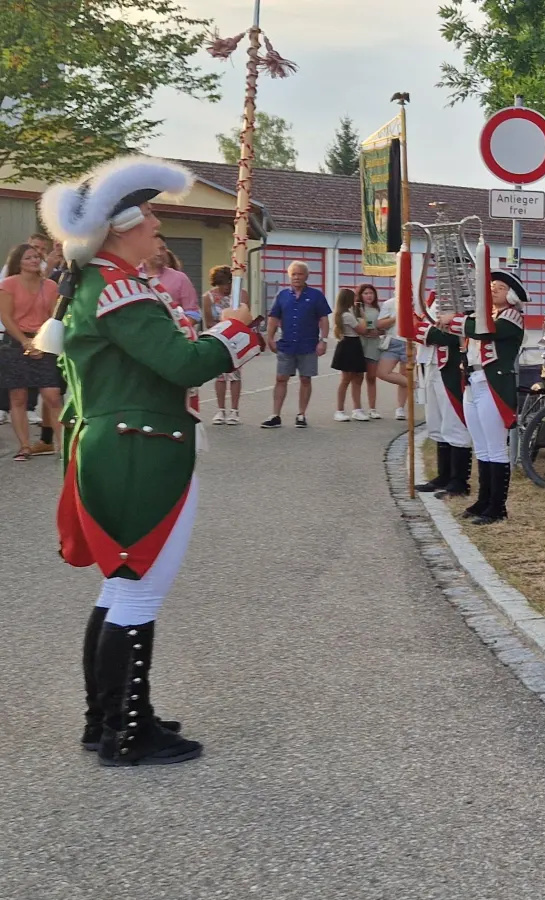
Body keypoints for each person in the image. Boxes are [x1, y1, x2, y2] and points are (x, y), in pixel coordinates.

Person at [39, 155, 263, 765]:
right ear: (122, 226)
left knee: (120, 588)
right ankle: (126, 733)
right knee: (137, 589)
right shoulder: (115, 287)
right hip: (138, 449)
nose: (160, 231)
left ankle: (108, 718)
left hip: (120, 443)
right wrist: (238, 332)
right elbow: (185, 365)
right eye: (153, 223)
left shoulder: (102, 283)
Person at [449, 271, 526, 525]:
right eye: (492, 285)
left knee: (495, 446)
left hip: (493, 383)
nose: (494, 289)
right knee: (481, 446)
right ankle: (484, 499)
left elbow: (485, 332)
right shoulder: (482, 316)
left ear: (512, 295)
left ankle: (497, 506)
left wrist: (455, 321)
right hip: (473, 380)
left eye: (501, 287)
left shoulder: (512, 316)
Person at [0, 242, 64, 459]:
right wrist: (25, 342)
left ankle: (62, 445)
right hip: (15, 342)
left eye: (36, 257)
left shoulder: (50, 286)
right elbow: (6, 317)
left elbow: (53, 316)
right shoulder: (8, 284)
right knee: (18, 396)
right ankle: (25, 446)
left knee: (52, 394)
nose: (34, 260)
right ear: (19, 262)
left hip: (43, 341)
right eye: (28, 257)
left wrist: (41, 342)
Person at [411, 295, 473, 498]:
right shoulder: (431, 297)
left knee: (454, 422)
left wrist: (420, 330)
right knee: (437, 423)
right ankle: (444, 475)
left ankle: (459, 481)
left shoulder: (465, 295)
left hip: (450, 366)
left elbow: (460, 334)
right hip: (430, 364)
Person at [262, 261, 330, 428]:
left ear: (306, 276)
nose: (297, 277)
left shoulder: (316, 295)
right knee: (281, 378)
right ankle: (275, 415)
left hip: (308, 345)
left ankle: (301, 414)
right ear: (289, 276)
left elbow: (323, 319)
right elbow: (273, 318)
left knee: (305, 379)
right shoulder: (282, 295)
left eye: (300, 274)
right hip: (287, 344)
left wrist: (324, 340)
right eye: (294, 274)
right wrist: (269, 338)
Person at [200, 266, 247, 425]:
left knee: (235, 375)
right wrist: (223, 328)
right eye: (221, 283)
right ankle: (220, 410)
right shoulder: (209, 297)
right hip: (218, 338)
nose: (226, 287)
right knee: (220, 377)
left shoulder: (240, 295)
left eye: (228, 282)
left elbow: (245, 316)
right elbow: (208, 322)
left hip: (236, 339)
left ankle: (235, 410)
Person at [331, 287, 373, 421]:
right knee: (346, 379)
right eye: (354, 296)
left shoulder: (347, 313)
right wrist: (364, 315)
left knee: (358, 378)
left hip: (354, 345)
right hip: (349, 345)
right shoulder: (347, 315)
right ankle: (339, 410)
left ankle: (357, 409)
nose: (356, 299)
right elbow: (363, 330)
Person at [355, 284, 395, 420]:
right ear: (360, 295)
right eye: (365, 293)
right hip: (360, 345)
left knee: (371, 378)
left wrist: (377, 331)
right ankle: (357, 408)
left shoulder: (379, 309)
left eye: (371, 293)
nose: (369, 296)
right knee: (357, 378)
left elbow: (383, 327)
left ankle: (372, 408)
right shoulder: (356, 310)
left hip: (374, 346)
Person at [143, 233, 199, 323]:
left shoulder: (180, 278)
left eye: (163, 249)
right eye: (155, 249)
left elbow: (193, 314)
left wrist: (178, 330)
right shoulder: (131, 276)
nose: (159, 253)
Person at [373, 288, 410, 420]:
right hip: (393, 342)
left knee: (405, 375)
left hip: (410, 343)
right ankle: (416, 385)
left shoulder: (417, 303)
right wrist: (396, 317)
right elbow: (380, 324)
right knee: (382, 372)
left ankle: (400, 408)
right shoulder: (390, 303)